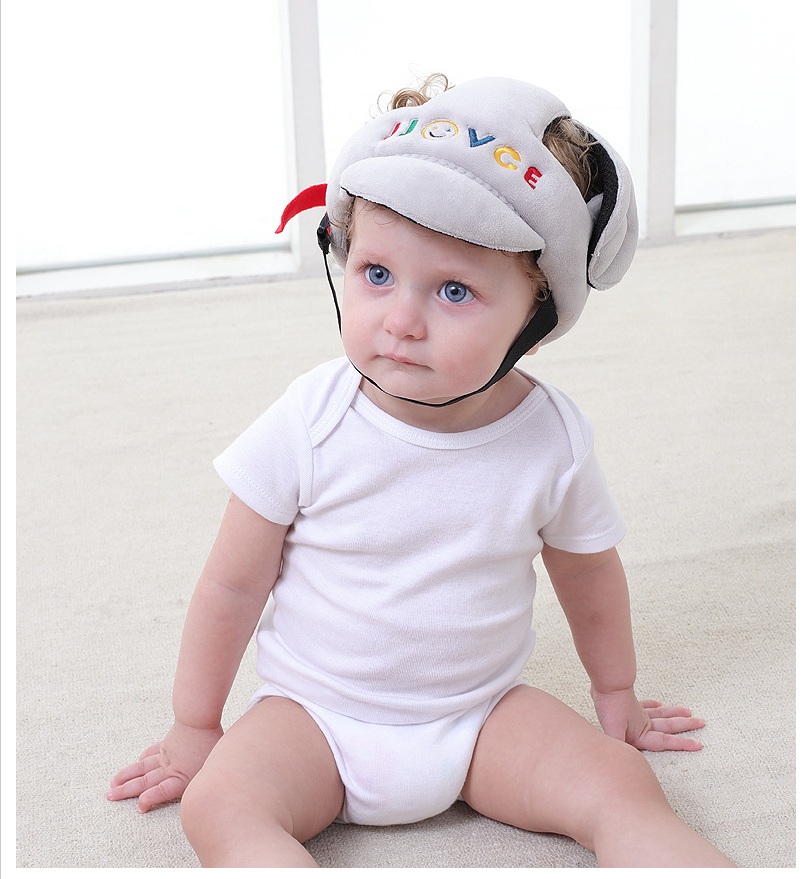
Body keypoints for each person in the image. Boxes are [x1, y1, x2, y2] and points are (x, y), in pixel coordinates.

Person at [107, 75, 734, 868]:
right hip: (313, 720)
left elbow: (587, 573)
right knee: (221, 805)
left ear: (537, 316)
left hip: (481, 718)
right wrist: (195, 725)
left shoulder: (551, 438)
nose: (401, 320)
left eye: (453, 289)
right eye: (376, 274)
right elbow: (232, 585)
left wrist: (616, 694)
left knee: (619, 782)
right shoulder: (309, 420)